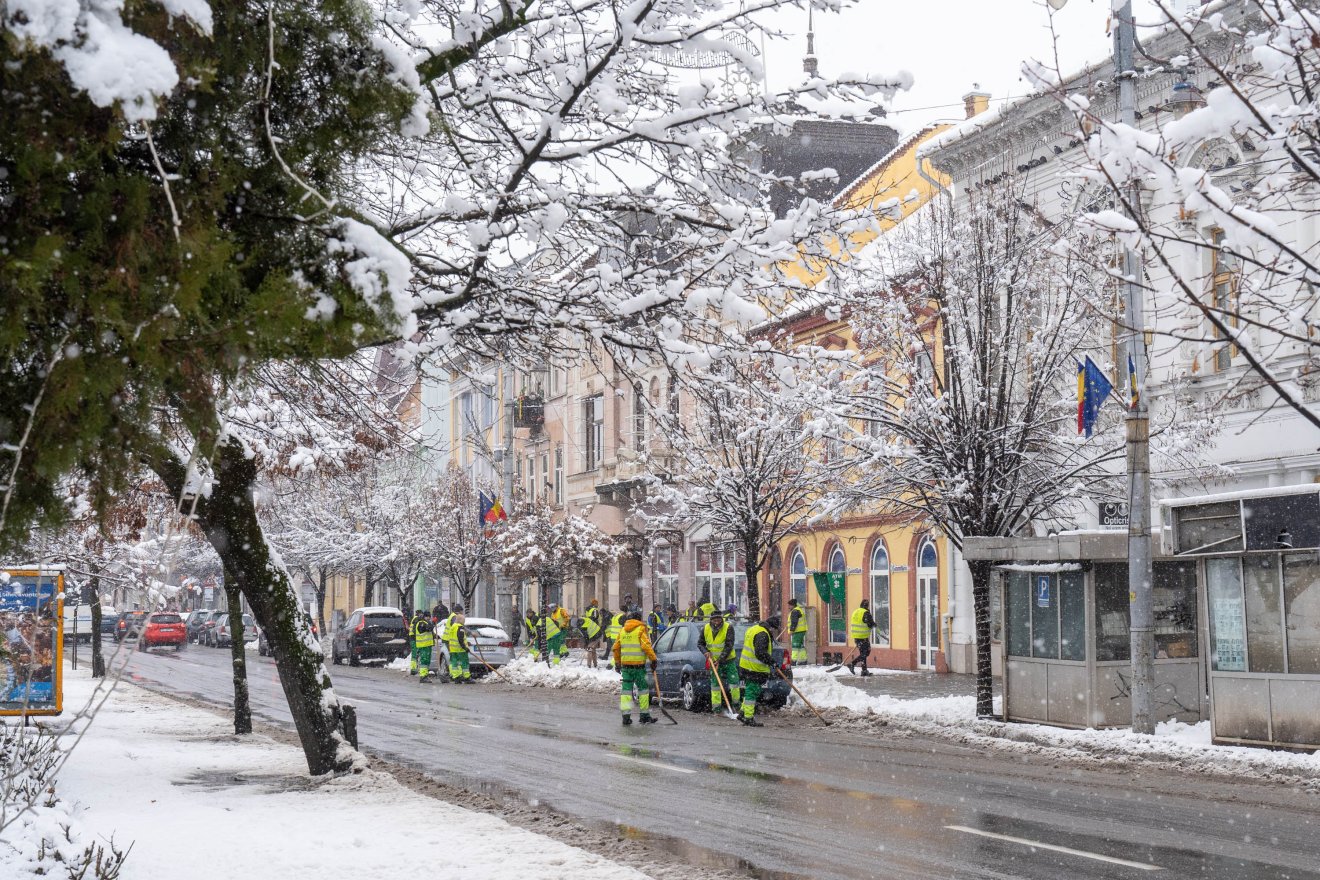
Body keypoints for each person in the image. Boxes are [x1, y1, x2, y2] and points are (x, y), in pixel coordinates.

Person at [613, 610, 657, 726]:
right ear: (638, 619)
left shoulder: (622, 631)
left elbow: (616, 648)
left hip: (626, 667)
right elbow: (646, 646)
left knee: (626, 692)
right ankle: (644, 716)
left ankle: (626, 717)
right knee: (643, 690)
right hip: (638, 667)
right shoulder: (640, 630)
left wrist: (617, 663)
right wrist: (653, 659)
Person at [737, 613, 780, 727]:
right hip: (754, 668)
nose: (774, 632)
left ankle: (742, 713)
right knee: (752, 692)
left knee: (751, 691)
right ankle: (748, 717)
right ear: (771, 627)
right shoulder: (763, 634)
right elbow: (760, 653)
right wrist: (772, 662)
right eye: (774, 630)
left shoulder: (754, 629)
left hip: (746, 666)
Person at [697, 608, 740, 713]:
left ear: (721, 619)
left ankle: (736, 706)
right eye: (714, 620)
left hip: (728, 660)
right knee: (715, 685)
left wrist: (720, 660)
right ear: (711, 620)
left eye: (718, 619)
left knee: (734, 683)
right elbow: (700, 643)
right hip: (713, 661)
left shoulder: (728, 628)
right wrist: (705, 652)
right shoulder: (706, 628)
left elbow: (728, 646)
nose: (717, 622)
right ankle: (716, 708)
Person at [443, 604, 472, 682]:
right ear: (459, 611)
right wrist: (465, 647)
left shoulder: (454, 624)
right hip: (458, 647)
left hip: (452, 645)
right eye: (462, 612)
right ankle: (464, 677)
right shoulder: (455, 619)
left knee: (455, 661)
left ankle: (456, 676)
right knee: (462, 662)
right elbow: (460, 637)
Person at [847, 599, 875, 676]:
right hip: (863, 637)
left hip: (856, 637)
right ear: (867, 606)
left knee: (863, 653)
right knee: (866, 653)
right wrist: (874, 624)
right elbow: (870, 624)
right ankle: (852, 664)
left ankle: (864, 670)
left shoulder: (856, 612)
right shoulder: (866, 613)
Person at [411, 609, 435, 682]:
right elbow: (428, 628)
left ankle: (425, 675)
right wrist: (432, 622)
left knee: (427, 661)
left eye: (429, 617)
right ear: (425, 617)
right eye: (428, 617)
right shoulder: (421, 623)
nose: (429, 618)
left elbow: (429, 630)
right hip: (423, 645)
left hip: (427, 645)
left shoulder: (425, 622)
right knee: (424, 660)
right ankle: (423, 676)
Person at [582, 599, 603, 668]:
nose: (598, 605)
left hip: (590, 629)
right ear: (595, 604)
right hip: (594, 629)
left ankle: (594, 664)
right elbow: (594, 618)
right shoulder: (594, 610)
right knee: (591, 648)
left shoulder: (588, 610)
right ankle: (590, 665)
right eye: (597, 603)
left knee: (592, 648)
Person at [787, 598, 809, 666]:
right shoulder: (798, 610)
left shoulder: (795, 611)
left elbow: (794, 622)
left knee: (795, 646)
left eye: (789, 605)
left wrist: (791, 630)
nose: (788, 607)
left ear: (793, 605)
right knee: (800, 646)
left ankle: (793, 661)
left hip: (798, 631)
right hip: (801, 630)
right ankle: (803, 660)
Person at [408, 608, 429, 677]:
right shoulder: (416, 619)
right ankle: (413, 669)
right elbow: (415, 629)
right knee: (415, 654)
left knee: (415, 654)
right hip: (414, 638)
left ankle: (414, 668)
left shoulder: (414, 618)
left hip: (412, 638)